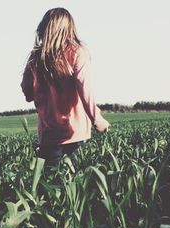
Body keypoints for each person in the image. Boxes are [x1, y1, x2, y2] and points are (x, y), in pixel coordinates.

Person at [21, 7, 110, 166]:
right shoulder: (78, 52)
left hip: (49, 135)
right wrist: (97, 119)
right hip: (76, 133)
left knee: (50, 183)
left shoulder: (35, 58)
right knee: (77, 183)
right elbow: (85, 88)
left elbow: (28, 94)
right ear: (70, 28)